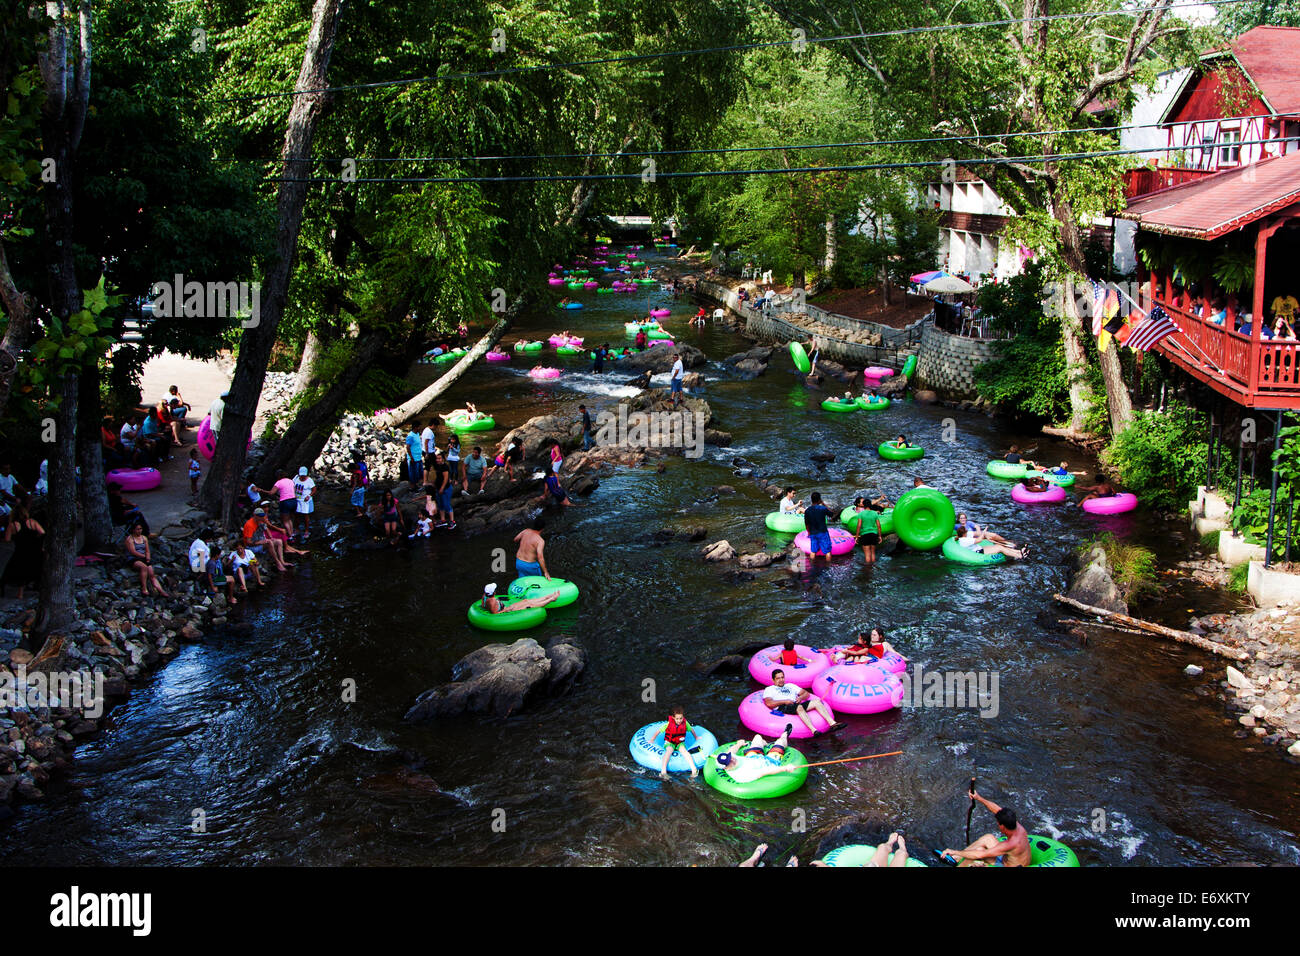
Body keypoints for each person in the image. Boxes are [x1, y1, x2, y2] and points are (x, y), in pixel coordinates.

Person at [941, 787, 1032, 867]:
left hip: (1009, 865)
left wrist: (954, 851)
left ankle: (959, 864)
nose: (997, 825)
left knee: (979, 851)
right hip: (1012, 858)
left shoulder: (1010, 844)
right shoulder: (1016, 825)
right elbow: (998, 810)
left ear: (1003, 826)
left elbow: (981, 854)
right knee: (988, 838)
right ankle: (957, 858)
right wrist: (978, 798)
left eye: (998, 823)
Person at [762, 669, 844, 735]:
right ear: (773, 680)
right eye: (778, 678)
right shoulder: (769, 689)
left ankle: (833, 724)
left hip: (795, 704)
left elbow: (806, 693)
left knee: (817, 702)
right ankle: (814, 730)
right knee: (799, 707)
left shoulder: (790, 685)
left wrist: (801, 697)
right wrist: (785, 701)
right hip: (783, 706)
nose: (781, 680)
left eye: (782, 677)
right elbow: (769, 703)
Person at [714, 726, 796, 781]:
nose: (732, 759)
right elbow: (766, 771)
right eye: (729, 762)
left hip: (753, 757)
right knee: (781, 741)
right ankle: (785, 734)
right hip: (769, 762)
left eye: (730, 758)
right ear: (726, 768)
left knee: (757, 737)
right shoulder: (741, 774)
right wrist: (785, 768)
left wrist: (739, 744)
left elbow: (730, 752)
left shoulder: (730, 758)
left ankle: (766, 745)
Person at [0, 504, 44, 599]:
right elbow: (42, 532)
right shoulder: (31, 522)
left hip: (20, 550)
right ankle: (37, 586)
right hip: (34, 548)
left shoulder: (13, 525)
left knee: (15, 570)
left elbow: (7, 539)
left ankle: (20, 593)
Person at [125, 522, 168, 597]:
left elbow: (147, 549)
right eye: (137, 529)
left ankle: (161, 590)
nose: (139, 531)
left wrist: (147, 557)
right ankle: (144, 588)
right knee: (143, 567)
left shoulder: (144, 538)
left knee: (151, 573)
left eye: (140, 529)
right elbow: (133, 551)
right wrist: (143, 556)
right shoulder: (130, 539)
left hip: (143, 557)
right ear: (133, 530)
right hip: (133, 558)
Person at [660, 705, 699, 780]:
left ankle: (694, 770)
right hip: (670, 742)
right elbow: (659, 731)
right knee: (669, 751)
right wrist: (652, 739)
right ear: (673, 717)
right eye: (677, 718)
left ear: (683, 717)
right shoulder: (668, 724)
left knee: (684, 751)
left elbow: (691, 730)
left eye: (681, 718)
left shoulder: (685, 723)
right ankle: (663, 772)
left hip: (680, 742)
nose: (679, 720)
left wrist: (696, 737)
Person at [480, 581, 560, 614]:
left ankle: (547, 597)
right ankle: (551, 599)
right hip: (506, 611)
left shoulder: (484, 596)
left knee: (526, 600)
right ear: (493, 592)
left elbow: (483, 605)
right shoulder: (492, 601)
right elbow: (495, 614)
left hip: (507, 608)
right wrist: (507, 609)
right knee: (529, 605)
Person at [955, 523, 1026, 560]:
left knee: (997, 546)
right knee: (1000, 548)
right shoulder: (965, 540)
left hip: (978, 549)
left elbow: (977, 536)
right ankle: (1019, 556)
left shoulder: (962, 538)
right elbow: (979, 540)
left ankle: (1018, 551)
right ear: (964, 533)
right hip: (978, 552)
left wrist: (985, 536)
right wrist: (984, 531)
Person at [850, 497, 883, 564]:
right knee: (873, 553)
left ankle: (868, 569)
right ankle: (873, 567)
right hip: (874, 534)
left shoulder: (861, 514)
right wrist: (880, 536)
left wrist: (856, 537)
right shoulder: (875, 513)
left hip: (865, 534)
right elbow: (879, 526)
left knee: (867, 554)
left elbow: (859, 526)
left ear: (864, 505)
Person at [803, 491, 833, 560]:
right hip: (823, 532)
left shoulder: (807, 510)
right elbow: (832, 514)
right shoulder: (822, 508)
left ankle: (812, 565)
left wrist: (808, 532)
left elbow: (806, 524)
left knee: (813, 551)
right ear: (819, 499)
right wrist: (823, 504)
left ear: (811, 499)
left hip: (813, 533)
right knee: (827, 552)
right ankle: (828, 567)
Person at [429, 450, 456, 530]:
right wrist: (434, 483)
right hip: (438, 488)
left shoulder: (445, 467)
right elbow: (437, 476)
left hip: (445, 489)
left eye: (439, 458)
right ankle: (443, 520)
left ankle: (452, 521)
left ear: (443, 459)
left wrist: (442, 488)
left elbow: (446, 479)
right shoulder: (437, 466)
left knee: (447, 505)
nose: (438, 460)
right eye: (437, 458)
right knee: (440, 505)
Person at [272, 470, 298, 538]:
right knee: (290, 519)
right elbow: (294, 491)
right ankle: (292, 533)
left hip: (285, 502)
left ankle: (290, 536)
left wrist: (262, 490)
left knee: (285, 520)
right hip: (294, 501)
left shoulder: (278, 482)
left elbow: (271, 492)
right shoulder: (290, 481)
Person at [294, 466, 316, 539]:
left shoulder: (309, 480)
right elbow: (292, 485)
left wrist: (309, 496)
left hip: (305, 500)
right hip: (297, 499)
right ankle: (297, 529)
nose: (302, 476)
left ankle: (306, 531)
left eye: (304, 475)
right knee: (296, 515)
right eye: (301, 475)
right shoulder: (296, 478)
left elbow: (314, 489)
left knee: (305, 516)